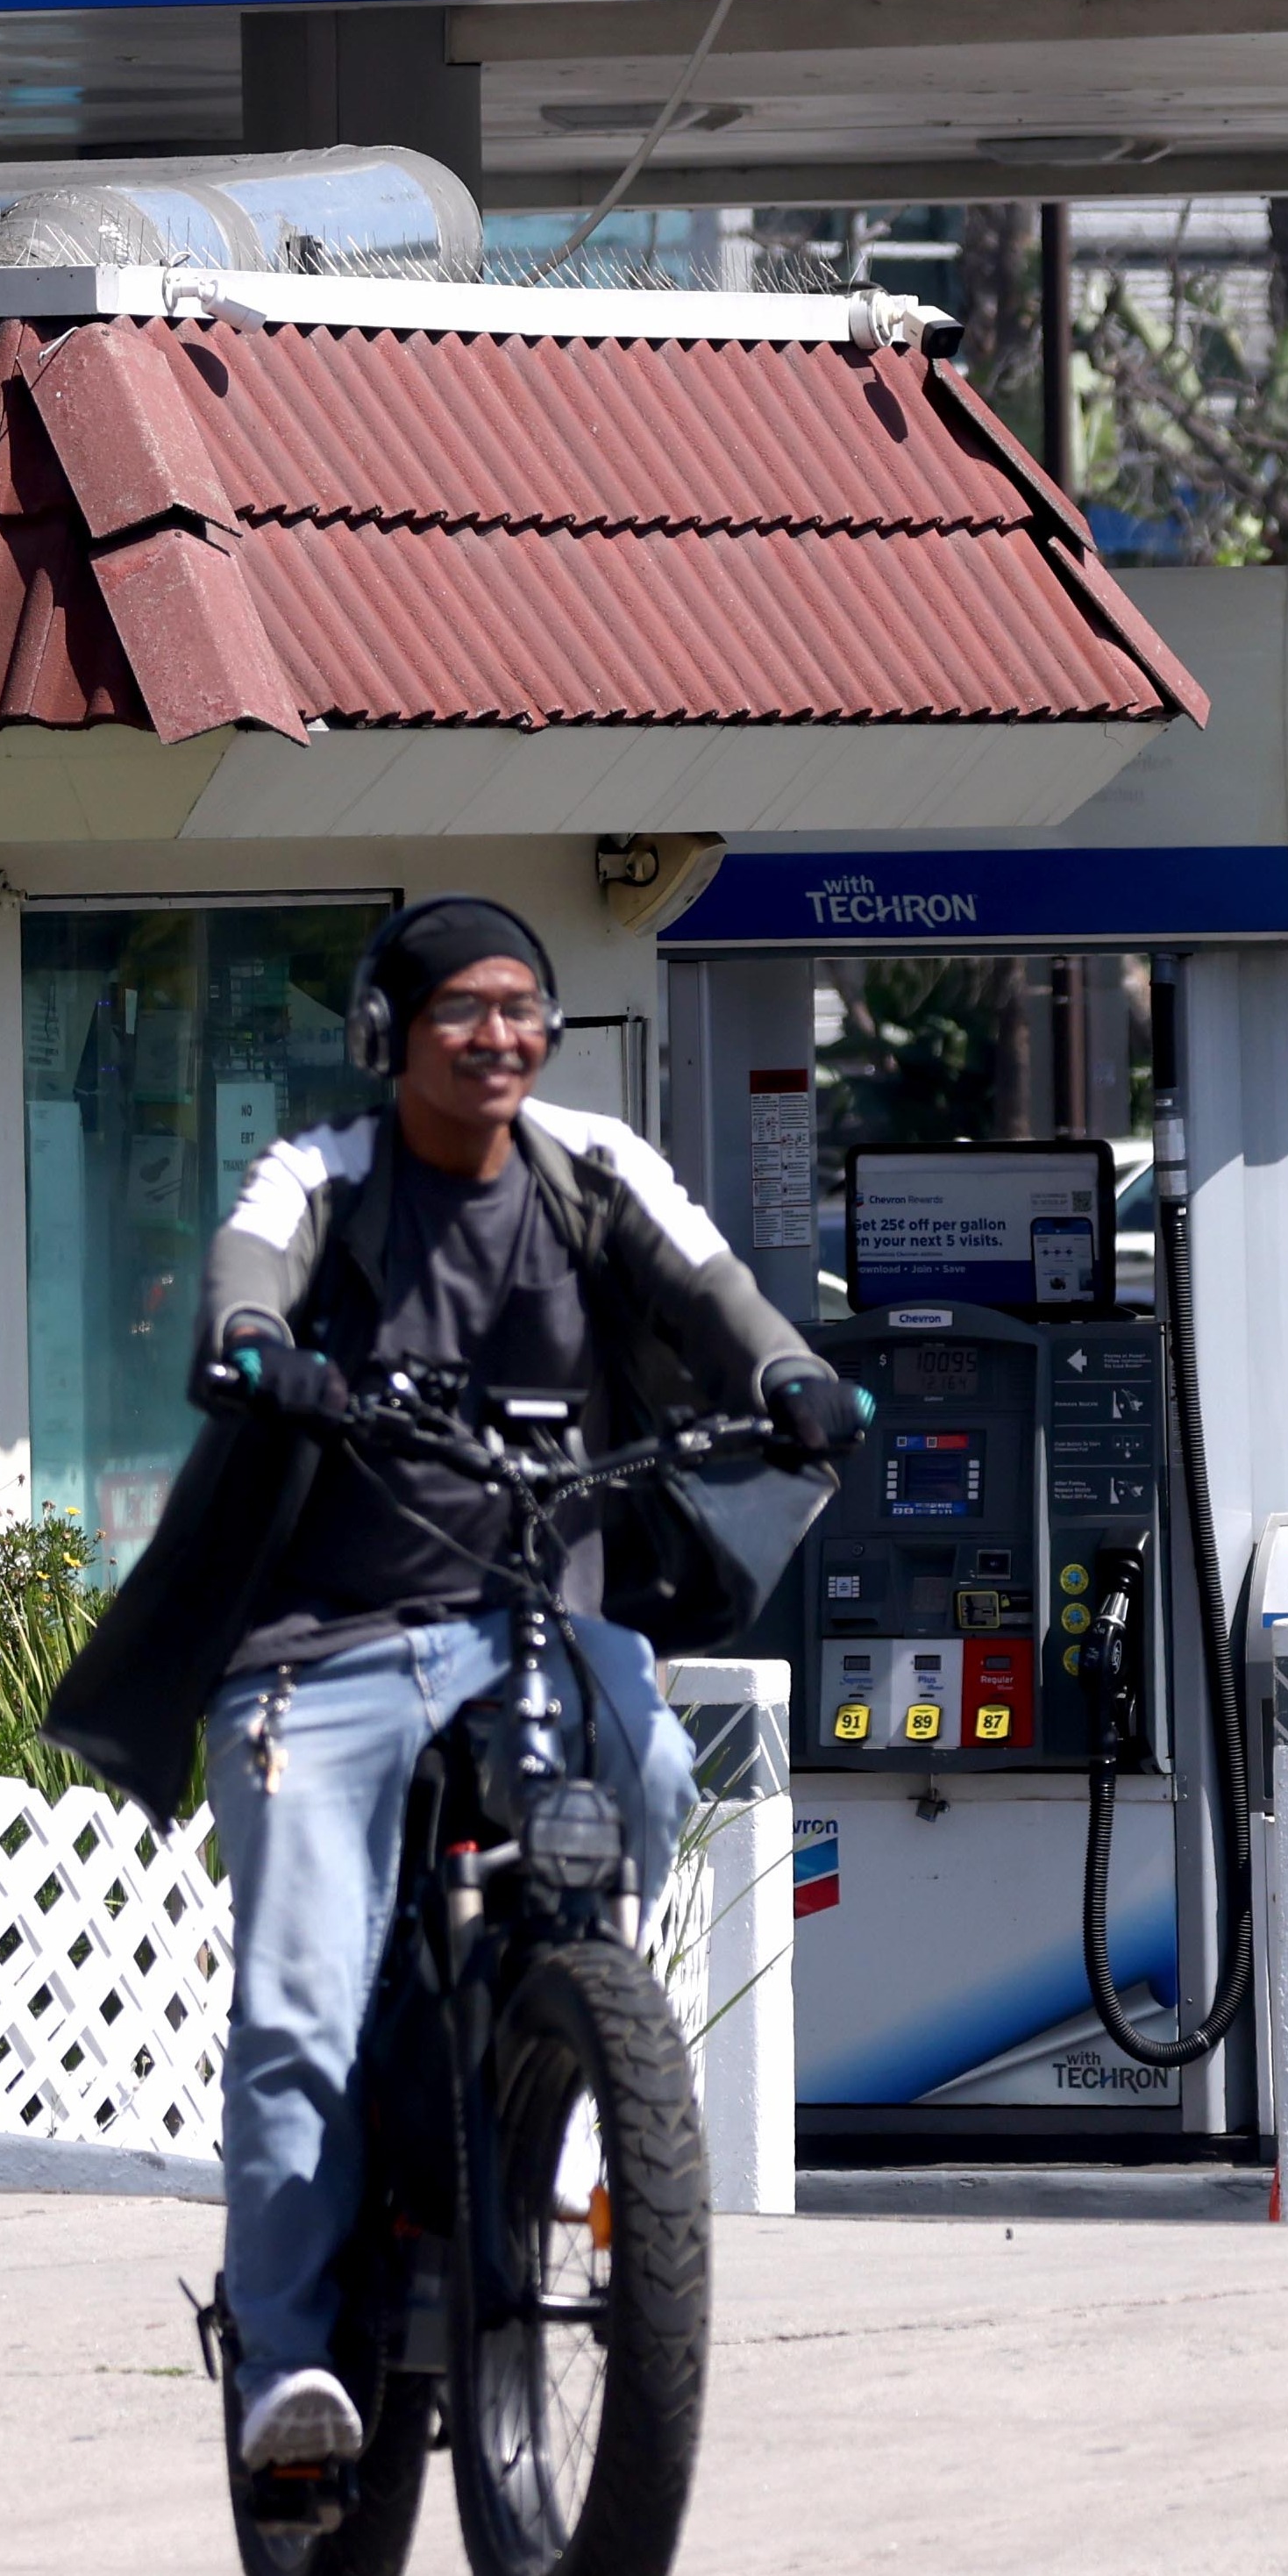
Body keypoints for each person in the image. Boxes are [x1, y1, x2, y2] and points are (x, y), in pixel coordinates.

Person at [190, 895, 853, 2481]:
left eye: (522, 1007)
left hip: (535, 1624)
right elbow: (246, 1274)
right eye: (461, 1011)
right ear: (387, 1036)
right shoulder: (325, 1178)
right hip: (327, 1644)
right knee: (295, 2014)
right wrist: (258, 1344)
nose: (498, 1035)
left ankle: (565, 2054)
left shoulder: (592, 1167)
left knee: (659, 1776)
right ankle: (285, 2368)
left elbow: (714, 1289)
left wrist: (788, 1376)